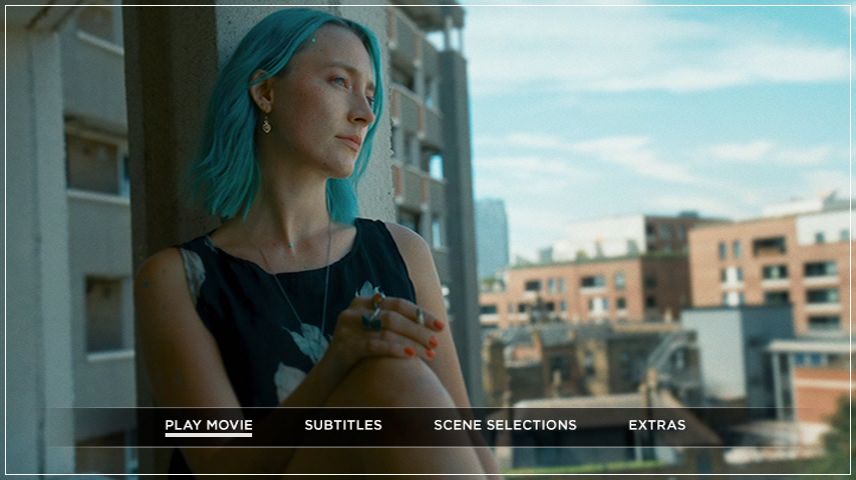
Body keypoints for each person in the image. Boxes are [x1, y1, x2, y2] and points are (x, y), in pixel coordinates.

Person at [134, 7, 500, 477]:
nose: (365, 114)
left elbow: (462, 434)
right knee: (391, 374)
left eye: (371, 94)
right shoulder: (176, 279)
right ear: (266, 92)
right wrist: (337, 364)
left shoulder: (403, 252)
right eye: (339, 82)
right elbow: (218, 466)